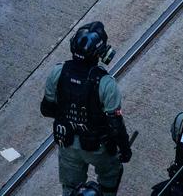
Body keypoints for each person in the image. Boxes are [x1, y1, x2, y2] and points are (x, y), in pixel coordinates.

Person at [40, 21, 131, 196]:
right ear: (100, 53)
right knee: (110, 178)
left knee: (70, 188)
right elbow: (116, 125)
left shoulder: (57, 72)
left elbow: (46, 109)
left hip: (67, 144)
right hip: (98, 147)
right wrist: (125, 149)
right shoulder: (105, 83)